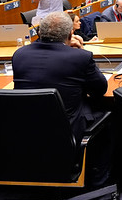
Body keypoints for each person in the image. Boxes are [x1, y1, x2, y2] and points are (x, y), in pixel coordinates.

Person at [12, 12, 107, 142]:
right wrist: (80, 50)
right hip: (68, 133)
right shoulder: (80, 57)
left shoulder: (19, 54)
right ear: (70, 34)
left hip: (28, 130)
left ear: (40, 32)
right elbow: (100, 90)